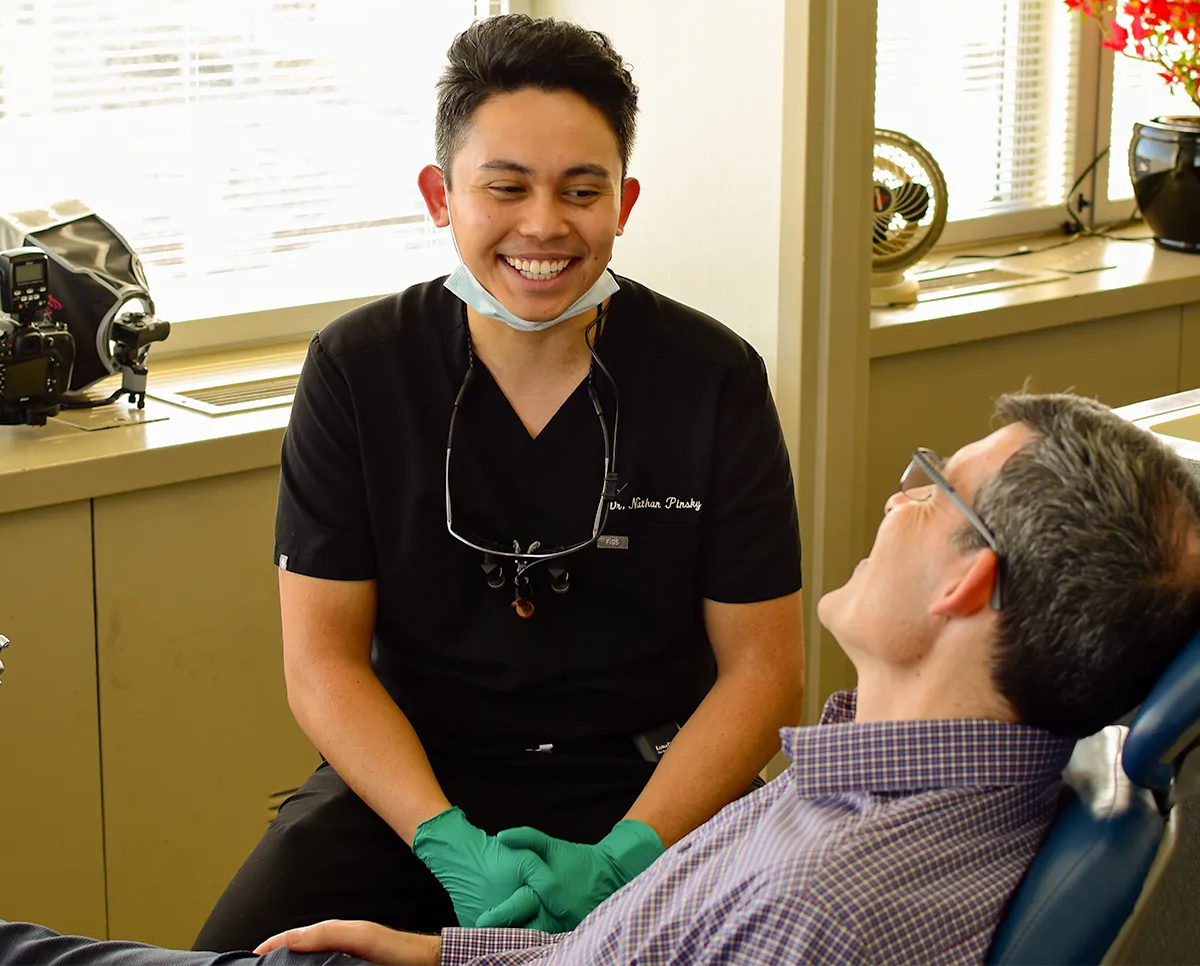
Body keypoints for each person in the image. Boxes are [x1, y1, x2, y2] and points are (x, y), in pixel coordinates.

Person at [192, 14, 807, 949]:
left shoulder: (709, 376)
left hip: (652, 787)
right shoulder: (360, 370)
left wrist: (629, 853)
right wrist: (446, 845)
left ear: (625, 202)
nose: (544, 226)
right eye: (505, 187)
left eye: (581, 191)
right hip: (411, 792)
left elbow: (765, 670)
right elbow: (321, 663)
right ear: (442, 195)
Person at [233, 391, 1200, 964]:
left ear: (967, 579)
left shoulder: (826, 904)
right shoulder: (875, 795)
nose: (900, 496)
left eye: (936, 485)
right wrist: (443, 955)